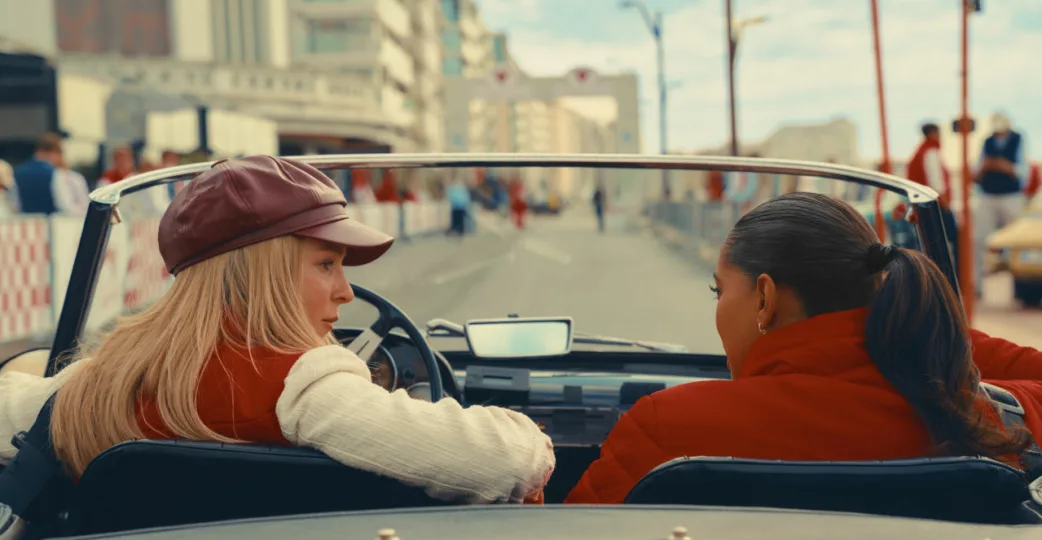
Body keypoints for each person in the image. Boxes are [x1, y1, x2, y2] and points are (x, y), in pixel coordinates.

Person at [0, 156, 555, 504]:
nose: (344, 291)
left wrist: (26, 369)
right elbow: (505, 460)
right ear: (263, 273)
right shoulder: (308, 386)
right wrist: (529, 434)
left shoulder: (103, 380)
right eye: (326, 264)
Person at [566, 192, 1042, 504]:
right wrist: (929, 332)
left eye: (719, 291)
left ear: (765, 298)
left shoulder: (666, 425)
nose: (718, 305)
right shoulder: (979, 418)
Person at [974, 113, 1029, 296]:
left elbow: (1023, 172)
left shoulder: (1018, 140)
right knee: (978, 239)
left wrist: (1004, 165)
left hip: (1011, 197)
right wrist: (986, 166)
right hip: (988, 195)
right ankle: (976, 285)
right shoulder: (987, 142)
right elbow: (976, 172)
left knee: (1018, 243)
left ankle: (1022, 289)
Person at [905, 122, 959, 274]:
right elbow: (936, 181)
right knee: (954, 241)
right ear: (934, 133)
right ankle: (953, 277)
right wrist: (945, 203)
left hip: (923, 205)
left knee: (930, 244)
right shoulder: (931, 151)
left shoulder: (919, 152)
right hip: (936, 205)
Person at [12, 133, 66, 215]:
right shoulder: (56, 173)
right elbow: (63, 204)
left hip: (25, 220)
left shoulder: (18, 171)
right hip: (50, 220)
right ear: (54, 152)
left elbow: (14, 204)